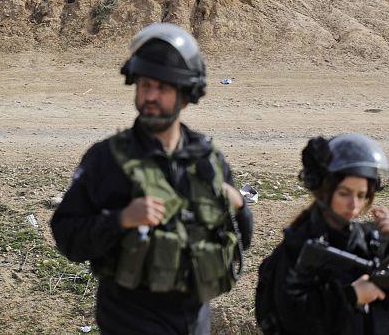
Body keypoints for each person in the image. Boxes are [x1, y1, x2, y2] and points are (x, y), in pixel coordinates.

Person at [50, 23, 253, 335]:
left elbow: (241, 240)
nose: (150, 96)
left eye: (162, 88)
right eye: (145, 85)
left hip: (194, 320)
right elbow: (67, 236)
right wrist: (120, 220)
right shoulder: (107, 159)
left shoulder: (207, 159)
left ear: (185, 96)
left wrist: (239, 206)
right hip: (129, 319)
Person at [257, 134, 389, 335]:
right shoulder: (298, 247)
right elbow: (292, 318)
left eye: (361, 195)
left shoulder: (370, 240)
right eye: (344, 193)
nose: (354, 205)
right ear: (326, 191)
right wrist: (351, 296)